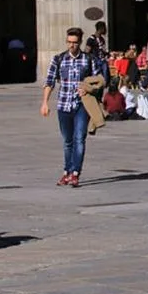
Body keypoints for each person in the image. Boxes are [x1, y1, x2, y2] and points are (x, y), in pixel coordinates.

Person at [40, 27, 102, 188]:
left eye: (75, 42)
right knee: (67, 141)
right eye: (69, 42)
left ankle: (75, 173)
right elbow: (50, 82)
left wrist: (89, 89)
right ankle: (66, 172)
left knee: (79, 139)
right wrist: (45, 102)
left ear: (80, 42)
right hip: (63, 105)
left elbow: (99, 81)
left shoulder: (89, 59)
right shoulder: (59, 59)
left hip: (82, 105)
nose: (72, 45)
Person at [87, 22, 110, 87]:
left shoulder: (102, 39)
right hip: (95, 60)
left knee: (105, 73)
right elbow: (87, 51)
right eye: (104, 28)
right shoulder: (91, 39)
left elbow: (103, 50)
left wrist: (108, 54)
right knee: (97, 74)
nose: (106, 30)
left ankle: (104, 85)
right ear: (101, 28)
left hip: (102, 60)